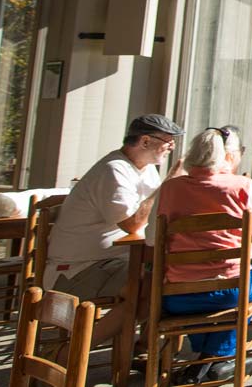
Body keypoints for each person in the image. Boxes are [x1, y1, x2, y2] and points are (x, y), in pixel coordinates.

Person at [148, 126, 252, 384]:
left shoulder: (170, 189)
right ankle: (214, 361)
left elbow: (151, 238)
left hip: (178, 296)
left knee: (239, 289)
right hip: (228, 293)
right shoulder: (242, 186)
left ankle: (205, 362)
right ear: (225, 156)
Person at [45, 113, 184, 349]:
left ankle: (141, 348)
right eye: (167, 140)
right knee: (155, 287)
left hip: (114, 261)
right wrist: (168, 186)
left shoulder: (147, 169)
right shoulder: (114, 170)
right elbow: (131, 224)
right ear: (145, 141)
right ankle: (73, 353)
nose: (172, 146)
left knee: (166, 281)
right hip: (77, 270)